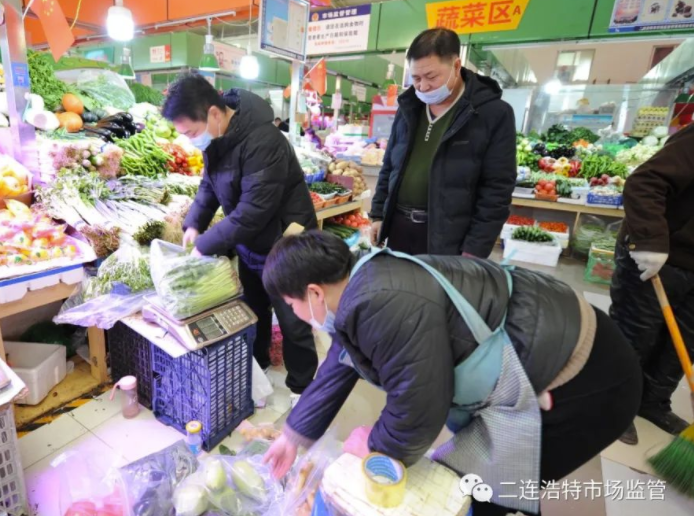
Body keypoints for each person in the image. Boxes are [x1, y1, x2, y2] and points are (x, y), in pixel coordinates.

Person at [261, 231, 641, 516]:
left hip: (587, 377)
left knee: (494, 490)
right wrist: (293, 436)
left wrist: (375, 448)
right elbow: (339, 367)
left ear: (313, 293)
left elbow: (420, 406)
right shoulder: (362, 282)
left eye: (291, 303)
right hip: (556, 347)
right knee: (480, 482)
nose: (293, 313)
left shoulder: (382, 302)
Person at [162, 74, 318, 398]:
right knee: (254, 311)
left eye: (192, 132)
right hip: (252, 243)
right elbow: (210, 185)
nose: (192, 140)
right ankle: (257, 371)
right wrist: (194, 223)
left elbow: (253, 212)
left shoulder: (264, 141)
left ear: (214, 114)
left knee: (293, 321)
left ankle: (302, 391)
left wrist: (205, 245)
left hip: (286, 241)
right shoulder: (218, 139)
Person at [370, 28, 516, 257]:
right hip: (398, 228)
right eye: (416, 78)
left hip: (450, 238)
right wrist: (378, 215)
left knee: (437, 292)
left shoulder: (492, 113)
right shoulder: (409, 107)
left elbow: (497, 188)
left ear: (456, 67)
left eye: (431, 77)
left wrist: (476, 247)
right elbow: (389, 166)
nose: (423, 87)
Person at [611, 125, 694, 445]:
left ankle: (653, 402)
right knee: (636, 334)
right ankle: (614, 407)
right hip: (659, 254)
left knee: (683, 343)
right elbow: (645, 182)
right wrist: (650, 241)